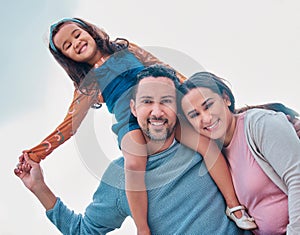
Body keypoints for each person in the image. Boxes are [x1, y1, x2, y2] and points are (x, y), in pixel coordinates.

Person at [17, 18, 255, 232]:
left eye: (76, 35)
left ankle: (234, 207)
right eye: (67, 46)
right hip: (129, 124)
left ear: (89, 30)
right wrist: (37, 154)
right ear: (66, 58)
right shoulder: (88, 86)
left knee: (203, 142)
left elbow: (167, 69)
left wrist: (196, 95)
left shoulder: (126, 49)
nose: (75, 43)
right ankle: (143, 229)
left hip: (163, 107)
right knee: (134, 164)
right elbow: (68, 126)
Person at [179, 71, 300, 234]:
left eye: (208, 106)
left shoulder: (259, 123)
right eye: (195, 115)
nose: (206, 118)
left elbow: (297, 178)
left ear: (226, 98)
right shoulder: (216, 155)